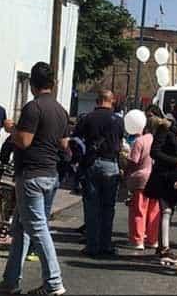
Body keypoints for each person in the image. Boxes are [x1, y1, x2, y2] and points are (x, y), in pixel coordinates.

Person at [0, 62, 69, 295]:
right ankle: (10, 280)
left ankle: (53, 282)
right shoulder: (61, 110)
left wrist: (11, 129)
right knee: (21, 228)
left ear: (32, 85)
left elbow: (24, 141)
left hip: (31, 175)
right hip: (50, 174)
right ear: (53, 84)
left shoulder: (33, 108)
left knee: (37, 229)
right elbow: (64, 144)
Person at [72, 90, 124, 257]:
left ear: (98, 100)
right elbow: (119, 141)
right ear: (112, 100)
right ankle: (106, 245)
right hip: (111, 164)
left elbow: (76, 139)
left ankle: (92, 245)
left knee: (91, 206)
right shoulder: (118, 120)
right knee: (108, 207)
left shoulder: (87, 118)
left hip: (91, 163)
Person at [144, 102, 177, 267]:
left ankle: (162, 246)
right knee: (166, 210)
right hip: (164, 176)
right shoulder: (167, 128)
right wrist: (175, 161)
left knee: (170, 210)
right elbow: (154, 152)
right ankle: (164, 249)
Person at [125, 116, 163, 250]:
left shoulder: (140, 141)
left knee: (139, 210)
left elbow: (133, 161)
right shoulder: (162, 141)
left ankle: (138, 240)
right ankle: (152, 239)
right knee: (154, 211)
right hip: (156, 179)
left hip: (141, 179)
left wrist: (126, 173)